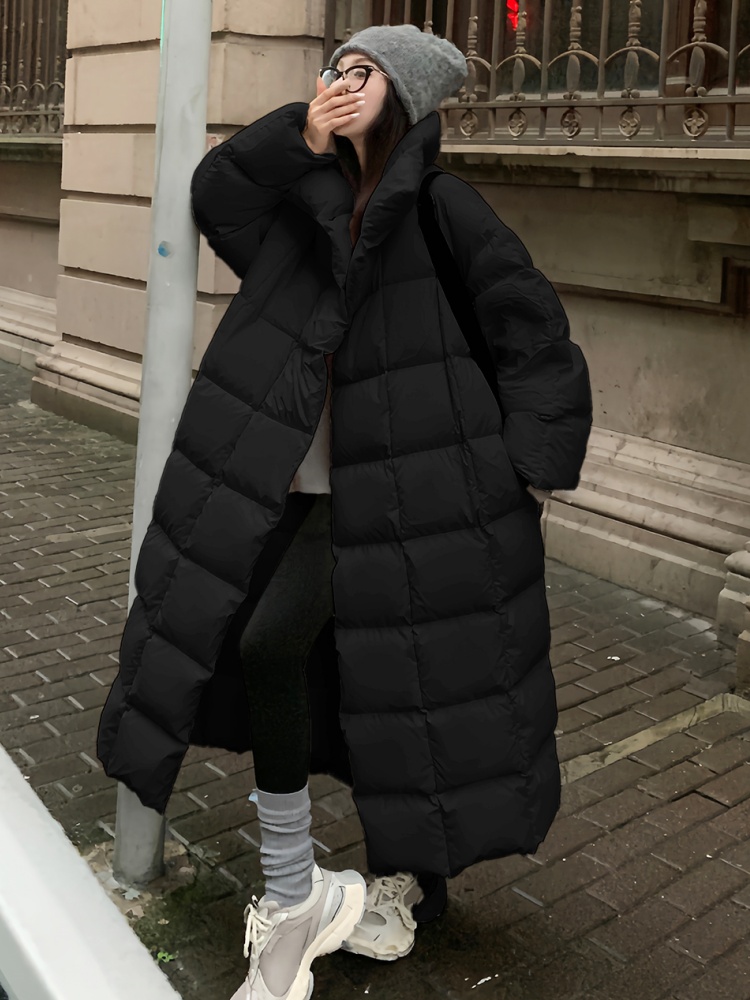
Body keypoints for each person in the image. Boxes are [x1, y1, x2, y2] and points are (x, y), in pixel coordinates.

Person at [97, 21, 591, 1000]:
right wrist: (300, 135)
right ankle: (304, 891)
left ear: (402, 95)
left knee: (366, 669)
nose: (342, 81)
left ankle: (369, 886)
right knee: (357, 673)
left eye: (365, 73)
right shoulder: (308, 199)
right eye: (337, 68)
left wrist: (521, 475)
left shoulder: (446, 209)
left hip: (405, 496)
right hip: (295, 487)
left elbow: (533, 333)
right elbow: (217, 195)